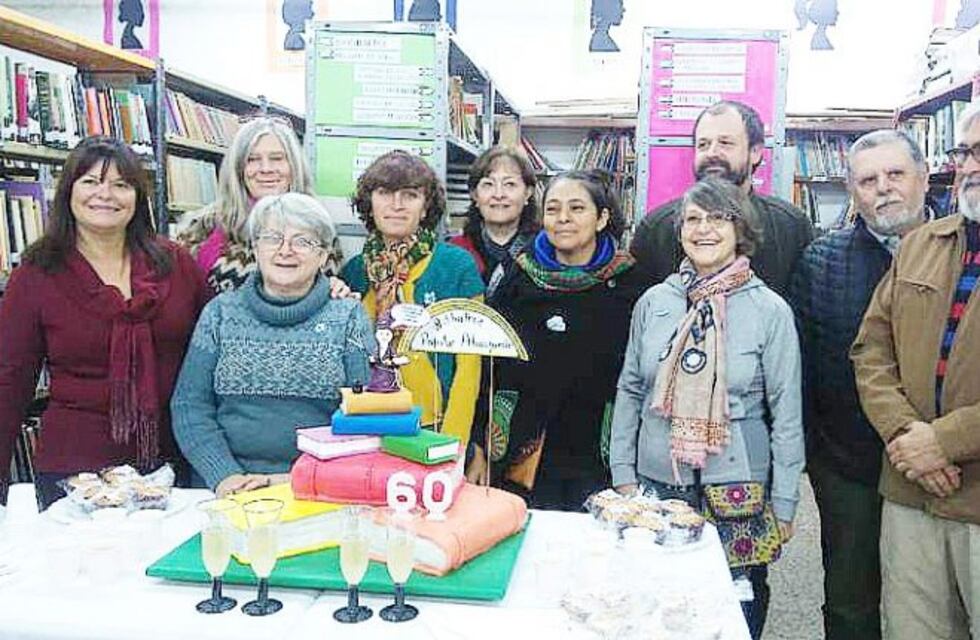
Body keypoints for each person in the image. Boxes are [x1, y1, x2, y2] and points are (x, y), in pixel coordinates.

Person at [610, 177, 804, 639]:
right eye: (693, 219)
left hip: (740, 486)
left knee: (737, 606)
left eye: (718, 218)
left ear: (741, 230)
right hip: (657, 481)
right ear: (679, 232)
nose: (704, 229)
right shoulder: (654, 303)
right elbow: (631, 390)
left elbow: (787, 410)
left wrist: (786, 499)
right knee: (657, 602)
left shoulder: (769, 310)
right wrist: (623, 473)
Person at [0, 136, 210, 508]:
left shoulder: (175, 265)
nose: (106, 195)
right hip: (74, 473)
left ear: (137, 196)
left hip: (170, 465)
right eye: (91, 182)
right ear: (68, 191)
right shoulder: (37, 274)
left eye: (121, 184)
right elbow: (9, 377)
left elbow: (220, 339)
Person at [789, 130, 929, 640]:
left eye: (895, 175)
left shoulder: (966, 255)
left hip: (949, 470)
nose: (883, 189)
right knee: (850, 601)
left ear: (924, 177)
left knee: (936, 604)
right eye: (868, 180)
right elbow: (801, 367)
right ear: (852, 192)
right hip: (850, 467)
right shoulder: (820, 261)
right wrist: (812, 460)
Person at [851, 103, 980, 640]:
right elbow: (870, 351)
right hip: (911, 492)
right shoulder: (923, 244)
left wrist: (945, 441)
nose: (971, 166)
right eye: (967, 152)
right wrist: (907, 436)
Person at [466, 170, 646, 511]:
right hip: (519, 453)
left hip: (600, 455)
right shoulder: (517, 277)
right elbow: (488, 367)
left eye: (577, 208)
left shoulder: (631, 285)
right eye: (553, 209)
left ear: (602, 218)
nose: (563, 219)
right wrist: (478, 442)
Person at [171, 193, 371, 497]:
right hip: (224, 488)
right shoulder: (220, 313)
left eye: (303, 241)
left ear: (323, 255)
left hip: (317, 488)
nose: (285, 250)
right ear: (255, 247)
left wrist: (299, 479)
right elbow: (190, 406)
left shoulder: (348, 317)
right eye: (273, 238)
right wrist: (225, 476)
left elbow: (365, 416)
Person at [341, 150, 483, 445]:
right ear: (369, 202)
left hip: (433, 426)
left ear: (426, 205)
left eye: (410, 194)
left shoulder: (457, 266)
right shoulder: (354, 271)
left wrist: (453, 443)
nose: (396, 205)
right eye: (384, 193)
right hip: (364, 421)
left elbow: (470, 366)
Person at [630, 100, 813, 299]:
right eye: (703, 144)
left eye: (725, 143)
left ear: (755, 152)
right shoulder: (657, 229)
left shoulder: (790, 226)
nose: (712, 153)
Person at [178, 116, 345, 295]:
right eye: (252, 159)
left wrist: (337, 288)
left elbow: (328, 298)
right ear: (238, 168)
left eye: (277, 158)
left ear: (294, 167)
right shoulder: (200, 229)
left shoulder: (317, 228)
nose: (265, 168)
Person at [450, 146, 539, 298]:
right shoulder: (454, 252)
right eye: (488, 184)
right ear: (475, 195)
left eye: (509, 184)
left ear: (527, 193)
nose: (498, 194)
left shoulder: (543, 251)